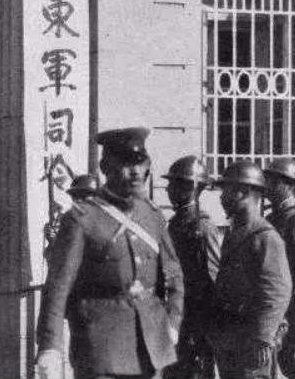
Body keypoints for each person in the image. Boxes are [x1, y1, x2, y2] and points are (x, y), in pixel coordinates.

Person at [36, 127, 184, 379]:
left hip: (150, 350)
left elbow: (174, 278)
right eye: (126, 163)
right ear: (106, 167)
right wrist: (50, 347)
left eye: (140, 163)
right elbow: (58, 287)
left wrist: (172, 323)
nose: (135, 171)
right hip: (101, 351)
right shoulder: (83, 218)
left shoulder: (153, 217)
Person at [209, 160, 292, 379]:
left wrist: (263, 337)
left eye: (227, 191)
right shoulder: (236, 232)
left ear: (244, 192)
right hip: (232, 338)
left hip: (253, 343)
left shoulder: (265, 237)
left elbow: (278, 291)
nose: (221, 197)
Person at [162, 155, 221, 379]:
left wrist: (204, 330)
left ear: (190, 188)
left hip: (196, 325)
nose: (168, 189)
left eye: (174, 184)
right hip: (176, 318)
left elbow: (213, 280)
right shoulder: (175, 224)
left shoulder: (203, 228)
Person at [262, 158, 295, 379]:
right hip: (277, 309)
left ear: (290, 185)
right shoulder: (272, 218)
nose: (267, 186)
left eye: (274, 181)